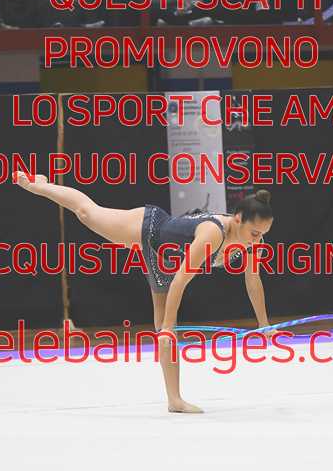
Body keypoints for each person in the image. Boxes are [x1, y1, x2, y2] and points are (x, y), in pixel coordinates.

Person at [14, 172, 274, 413]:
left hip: (166, 262)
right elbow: (181, 280)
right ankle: (40, 185)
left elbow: (253, 281)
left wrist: (264, 326)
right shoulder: (212, 234)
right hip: (151, 232)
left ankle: (174, 400)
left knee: (163, 328)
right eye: (254, 232)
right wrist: (169, 327)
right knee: (87, 213)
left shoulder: (254, 242)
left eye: (263, 234)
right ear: (238, 219)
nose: (257, 239)